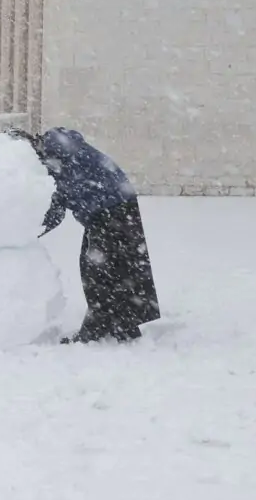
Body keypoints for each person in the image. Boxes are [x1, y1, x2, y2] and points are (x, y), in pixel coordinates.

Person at [10, 127, 160, 344]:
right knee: (112, 267)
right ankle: (122, 325)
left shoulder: (53, 141)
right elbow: (54, 214)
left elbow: (67, 145)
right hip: (107, 208)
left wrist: (47, 161)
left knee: (99, 269)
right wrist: (26, 233)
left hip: (112, 205)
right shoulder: (47, 173)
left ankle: (101, 328)